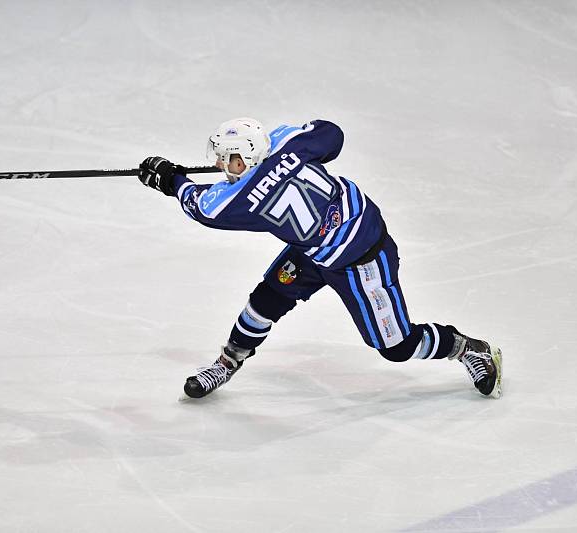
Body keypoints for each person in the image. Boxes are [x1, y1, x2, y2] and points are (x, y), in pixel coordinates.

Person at [137, 118, 502, 400]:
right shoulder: (287, 142)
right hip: (315, 250)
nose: (220, 165)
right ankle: (228, 361)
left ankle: (468, 348)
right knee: (265, 301)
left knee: (397, 347)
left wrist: (171, 180)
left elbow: (202, 206)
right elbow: (332, 134)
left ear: (249, 155)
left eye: (228, 159)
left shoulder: (240, 200)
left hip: (362, 262)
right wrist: (285, 149)